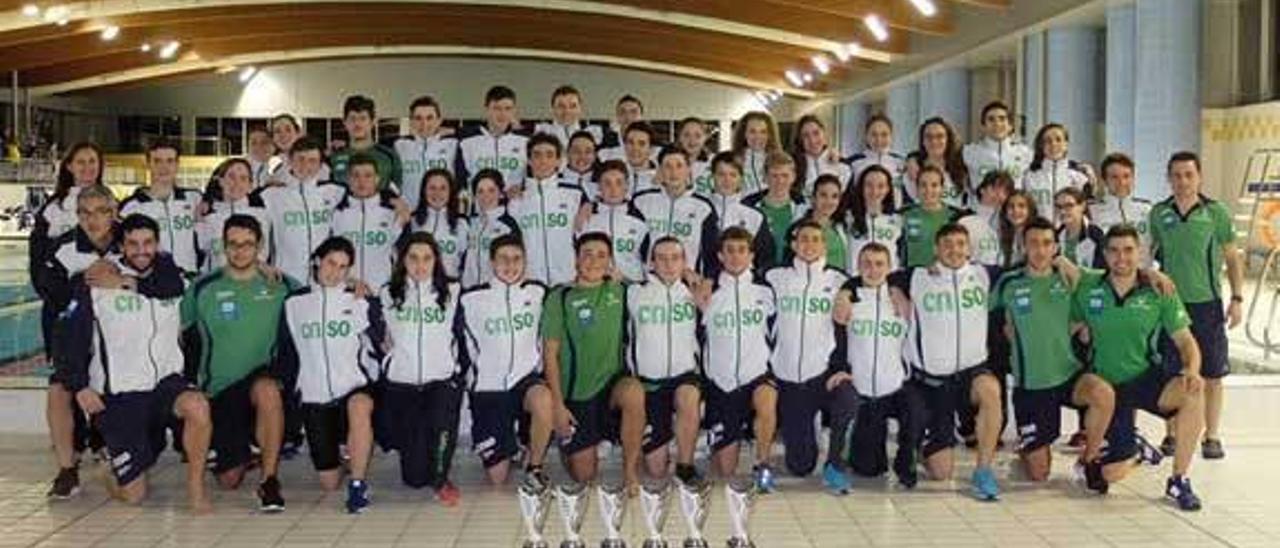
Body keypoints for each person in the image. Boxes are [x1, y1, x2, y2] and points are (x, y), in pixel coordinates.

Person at [59, 214, 210, 513]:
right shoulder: (96, 281)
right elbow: (68, 336)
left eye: (148, 243)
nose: (141, 250)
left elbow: (170, 287)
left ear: (158, 244)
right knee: (134, 496)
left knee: (198, 406)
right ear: (122, 246)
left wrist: (126, 283)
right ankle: (108, 465)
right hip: (121, 395)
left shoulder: (172, 278)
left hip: (165, 385)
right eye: (133, 244)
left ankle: (196, 488)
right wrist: (79, 386)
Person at [1072, 225, 1206, 511]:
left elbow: (1186, 342)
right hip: (1106, 387)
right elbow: (1068, 317)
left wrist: (1192, 370)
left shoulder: (1159, 290)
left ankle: (1179, 479)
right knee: (1107, 477)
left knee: (1193, 392)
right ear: (1104, 254)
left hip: (1144, 377)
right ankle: (1137, 451)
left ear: (1140, 253)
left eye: (1129, 250)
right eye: (1114, 251)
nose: (1122, 257)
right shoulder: (1089, 287)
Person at [991, 217, 1114, 491]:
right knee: (1038, 473)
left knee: (1103, 393)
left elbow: (1115, 275)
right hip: (1032, 385)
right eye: (1033, 243)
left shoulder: (1069, 276)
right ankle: (1030, 447)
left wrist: (1154, 274)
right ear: (1023, 246)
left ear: (1055, 247)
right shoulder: (1008, 283)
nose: (1040, 250)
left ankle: (1089, 459)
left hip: (1068, 375)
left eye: (1047, 243)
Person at [181, 214, 293, 511]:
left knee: (268, 389)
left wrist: (353, 284)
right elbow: (177, 332)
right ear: (223, 246)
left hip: (260, 381)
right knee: (229, 481)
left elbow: (324, 290)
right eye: (233, 244)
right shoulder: (204, 287)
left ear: (260, 247)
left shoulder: (280, 285)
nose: (240, 251)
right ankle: (253, 449)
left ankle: (269, 481)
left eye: (248, 244)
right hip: (219, 392)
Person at [889, 223, 1003, 501]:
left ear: (969, 249)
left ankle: (984, 471)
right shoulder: (916, 276)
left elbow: (1030, 269)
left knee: (991, 391)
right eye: (947, 244)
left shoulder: (984, 274)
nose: (954, 250)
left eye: (960, 244)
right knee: (941, 472)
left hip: (971, 372)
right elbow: (878, 276)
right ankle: (921, 444)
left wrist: (1062, 261)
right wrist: (896, 293)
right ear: (936, 249)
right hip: (932, 382)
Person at [274, 236, 384, 513]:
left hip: (353, 389)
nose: (335, 272)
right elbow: (287, 353)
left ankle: (358, 484)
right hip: (315, 398)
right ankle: (351, 454)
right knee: (328, 483)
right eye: (331, 263)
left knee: (360, 406)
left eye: (343, 267)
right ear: (317, 262)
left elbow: (382, 341)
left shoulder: (358, 300)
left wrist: (369, 302)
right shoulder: (293, 304)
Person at [1149, 151, 1244, 460]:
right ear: (1169, 178)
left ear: (1199, 177)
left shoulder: (1215, 212)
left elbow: (1232, 257)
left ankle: (1212, 435)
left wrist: (1237, 298)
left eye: (1188, 175)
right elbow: (1146, 256)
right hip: (1170, 306)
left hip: (1207, 304)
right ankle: (1172, 433)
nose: (1183, 181)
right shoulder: (1159, 214)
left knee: (1213, 372)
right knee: (1173, 371)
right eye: (1176, 175)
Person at [544, 232, 646, 492]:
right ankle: (570, 445)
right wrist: (557, 405)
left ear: (610, 261)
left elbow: (655, 290)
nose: (594, 260)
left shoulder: (619, 289)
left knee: (634, 392)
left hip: (612, 389)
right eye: (587, 254)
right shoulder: (560, 295)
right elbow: (550, 354)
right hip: (577, 396)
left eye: (602, 255)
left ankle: (630, 473)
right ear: (576, 260)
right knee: (584, 477)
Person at [764, 221, 859, 495]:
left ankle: (835, 463)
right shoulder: (774, 277)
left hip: (824, 374)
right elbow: (737, 273)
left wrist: (843, 367)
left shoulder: (840, 280)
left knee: (848, 397)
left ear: (824, 245)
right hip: (788, 378)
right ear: (793, 244)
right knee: (800, 465)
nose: (809, 245)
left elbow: (874, 282)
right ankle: (808, 438)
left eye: (816, 239)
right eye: (803, 239)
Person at [457, 234, 554, 486]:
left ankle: (534, 465)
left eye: (517, 259)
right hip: (488, 389)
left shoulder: (539, 292)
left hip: (526, 381)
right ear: (491, 262)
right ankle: (511, 446)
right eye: (503, 259)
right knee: (497, 479)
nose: (510, 265)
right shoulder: (470, 299)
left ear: (525, 261)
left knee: (544, 399)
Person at [377, 232, 465, 505]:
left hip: (440, 380)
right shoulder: (386, 293)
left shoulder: (453, 291)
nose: (420, 265)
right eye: (413, 258)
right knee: (414, 478)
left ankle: (441, 477)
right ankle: (424, 468)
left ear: (436, 260)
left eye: (427, 258)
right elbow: (371, 325)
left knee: (441, 429)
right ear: (402, 260)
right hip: (402, 384)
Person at [694, 227, 779, 492]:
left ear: (751, 255)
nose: (735, 256)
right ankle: (718, 440)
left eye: (742, 250)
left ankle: (763, 464)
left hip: (756, 375)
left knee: (767, 401)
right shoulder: (707, 292)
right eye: (729, 250)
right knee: (725, 470)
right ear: (720, 255)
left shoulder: (765, 290)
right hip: (721, 382)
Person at [835, 243, 921, 487]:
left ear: (890, 267)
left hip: (896, 387)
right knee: (868, 470)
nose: (873, 270)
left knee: (915, 407)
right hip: (863, 392)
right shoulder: (849, 300)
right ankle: (864, 448)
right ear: (858, 267)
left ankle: (907, 457)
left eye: (879, 264)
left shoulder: (901, 301)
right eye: (867, 264)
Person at [626, 237, 704, 486]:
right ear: (651, 263)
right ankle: (664, 439)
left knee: (688, 396)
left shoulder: (695, 291)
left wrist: (702, 283)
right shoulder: (633, 292)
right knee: (656, 471)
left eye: (675, 258)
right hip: (650, 382)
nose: (669, 264)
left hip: (684, 375)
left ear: (684, 262)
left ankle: (685, 465)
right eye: (662, 258)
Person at [255, 136, 346, 284]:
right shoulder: (270, 196)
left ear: (320, 165)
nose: (306, 165)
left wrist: (394, 200)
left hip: (325, 279)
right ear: (290, 161)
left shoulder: (335, 192)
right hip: (285, 278)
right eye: (300, 159)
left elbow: (369, 195)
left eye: (312, 161)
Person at [507, 133, 586, 285]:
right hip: (530, 281)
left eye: (549, 155)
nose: (543, 161)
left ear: (558, 161)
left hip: (569, 279)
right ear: (529, 160)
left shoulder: (575, 195)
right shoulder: (516, 199)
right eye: (537, 155)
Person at [120, 139, 202, 274]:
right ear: (148, 164)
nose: (164, 167)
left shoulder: (194, 199)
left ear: (177, 164)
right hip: (151, 282)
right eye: (157, 161)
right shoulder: (131, 207)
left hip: (189, 279)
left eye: (170, 161)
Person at [633, 147, 718, 274]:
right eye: (667, 166)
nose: (674, 172)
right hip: (650, 281)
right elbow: (634, 245)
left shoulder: (703, 207)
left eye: (679, 166)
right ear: (660, 170)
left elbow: (711, 252)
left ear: (688, 170)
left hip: (687, 282)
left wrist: (708, 279)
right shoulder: (641, 201)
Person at [332, 155, 406, 290]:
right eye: (356, 176)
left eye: (368, 175)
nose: (362, 181)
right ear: (348, 179)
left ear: (377, 179)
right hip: (347, 290)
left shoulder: (394, 212)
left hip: (382, 290)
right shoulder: (337, 213)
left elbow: (402, 251)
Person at [581, 160, 649, 282]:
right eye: (607, 183)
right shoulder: (586, 218)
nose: (613, 189)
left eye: (619, 183)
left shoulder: (640, 219)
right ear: (599, 187)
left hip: (632, 286)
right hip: (596, 287)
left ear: (627, 186)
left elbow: (647, 260)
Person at [706, 151, 775, 273]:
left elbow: (765, 257)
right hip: (705, 285)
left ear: (741, 179)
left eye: (733, 175)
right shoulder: (701, 209)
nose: (727, 180)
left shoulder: (755, 216)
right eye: (721, 174)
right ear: (712, 177)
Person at [198, 158, 270, 273]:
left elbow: (263, 253)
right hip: (216, 283)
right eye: (231, 177)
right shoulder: (208, 216)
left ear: (250, 186)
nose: (237, 183)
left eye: (243, 178)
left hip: (251, 282)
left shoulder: (262, 215)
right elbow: (202, 250)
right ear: (221, 181)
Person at [743, 151, 808, 267]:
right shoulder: (749, 207)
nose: (780, 181)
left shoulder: (804, 209)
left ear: (793, 177)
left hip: (793, 275)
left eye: (785, 175)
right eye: (774, 176)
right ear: (765, 177)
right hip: (758, 275)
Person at [394, 96, 458, 210]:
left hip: (444, 216)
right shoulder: (399, 146)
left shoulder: (453, 145)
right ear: (411, 121)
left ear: (439, 120)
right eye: (418, 118)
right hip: (409, 216)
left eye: (430, 118)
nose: (424, 124)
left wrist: (454, 130)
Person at [458, 85, 529, 189]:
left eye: (508, 109)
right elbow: (461, 179)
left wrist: (522, 190)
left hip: (515, 204)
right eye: (497, 108)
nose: (502, 114)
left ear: (514, 111)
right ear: (486, 109)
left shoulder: (525, 141)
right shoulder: (467, 142)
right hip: (479, 203)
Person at [1088, 153, 1152, 266]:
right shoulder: (1091, 211)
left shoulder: (1147, 209)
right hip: (1107, 279)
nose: (1121, 183)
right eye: (1114, 177)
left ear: (1133, 178)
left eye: (1126, 176)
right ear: (1104, 180)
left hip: (1143, 278)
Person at [461, 170, 521, 288]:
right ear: (474, 195)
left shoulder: (508, 226)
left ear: (500, 193)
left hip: (494, 291)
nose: (486, 196)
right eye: (480, 191)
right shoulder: (470, 224)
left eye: (491, 190)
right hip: (469, 290)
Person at [329, 95, 402, 191]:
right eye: (352, 119)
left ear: (373, 121)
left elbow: (396, 194)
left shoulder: (389, 156)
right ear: (344, 122)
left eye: (363, 118)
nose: (357, 124)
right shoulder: (334, 157)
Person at [899, 165, 964, 268]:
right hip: (914, 275)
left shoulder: (956, 217)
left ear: (942, 189)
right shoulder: (904, 215)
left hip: (945, 275)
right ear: (917, 188)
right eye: (923, 185)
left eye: (934, 185)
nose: (928, 190)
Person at [407, 169, 468, 279]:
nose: (437, 193)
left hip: (451, 287)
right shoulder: (411, 221)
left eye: (443, 188)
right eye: (432, 188)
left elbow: (467, 261)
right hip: (418, 288)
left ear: (451, 192)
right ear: (424, 191)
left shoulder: (462, 223)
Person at [844, 165, 902, 275]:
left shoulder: (898, 220)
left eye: (881, 186)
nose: (874, 191)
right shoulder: (847, 218)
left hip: (888, 283)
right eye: (869, 185)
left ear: (888, 189)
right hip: (856, 281)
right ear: (861, 187)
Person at [1021, 123, 1094, 209]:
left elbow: (1087, 208)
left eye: (1058, 140)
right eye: (1048, 141)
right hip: (1038, 223)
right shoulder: (1029, 175)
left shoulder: (1080, 175)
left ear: (1066, 144)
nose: (1053, 144)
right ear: (1041, 145)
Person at [904, 117, 970, 208]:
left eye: (940, 136)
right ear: (922, 141)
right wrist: (910, 159)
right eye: (929, 137)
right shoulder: (913, 170)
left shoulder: (961, 166)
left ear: (948, 139)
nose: (934, 141)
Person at [962, 101, 1032, 183]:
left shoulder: (1026, 153)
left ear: (1010, 126)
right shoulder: (968, 152)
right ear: (983, 126)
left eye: (1002, 119)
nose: (997, 123)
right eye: (991, 119)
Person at [789, 174, 849, 269]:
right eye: (823, 195)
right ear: (813, 198)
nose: (829, 201)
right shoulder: (798, 229)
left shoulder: (841, 226)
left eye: (834, 196)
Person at [958, 172, 1014, 268]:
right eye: (994, 189)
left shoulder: (1010, 221)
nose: (999, 195)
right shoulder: (965, 220)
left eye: (1004, 192)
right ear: (982, 190)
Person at [846, 114, 905, 204]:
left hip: (893, 214)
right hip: (862, 213)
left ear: (891, 136)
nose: (879, 139)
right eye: (874, 134)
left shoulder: (901, 162)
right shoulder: (853, 162)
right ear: (866, 136)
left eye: (884, 134)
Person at [792, 115, 852, 196]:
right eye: (805, 136)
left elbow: (846, 198)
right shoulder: (793, 166)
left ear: (824, 133)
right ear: (799, 140)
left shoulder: (843, 165)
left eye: (816, 133)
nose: (812, 140)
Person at [268, 114, 330, 183]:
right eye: (277, 131)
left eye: (288, 130)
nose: (283, 135)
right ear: (273, 138)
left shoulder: (315, 159)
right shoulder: (274, 163)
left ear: (298, 133)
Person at [732, 111, 784, 195]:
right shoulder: (733, 161)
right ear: (744, 134)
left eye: (763, 132)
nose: (758, 137)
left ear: (769, 135)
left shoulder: (780, 161)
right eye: (752, 131)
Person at [1054, 187, 1106, 269]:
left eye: (1069, 206)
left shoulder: (1096, 235)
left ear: (1082, 206)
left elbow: (1101, 270)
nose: (1062, 211)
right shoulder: (1054, 236)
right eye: (1059, 207)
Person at [534, 85, 603, 147]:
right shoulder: (540, 132)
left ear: (580, 108)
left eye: (573, 106)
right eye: (561, 106)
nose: (567, 111)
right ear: (552, 109)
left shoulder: (594, 133)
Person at [598, 95, 648, 161]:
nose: (628, 117)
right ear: (617, 116)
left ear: (641, 116)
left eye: (633, 112)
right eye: (622, 112)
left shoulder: (653, 144)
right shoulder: (605, 143)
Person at [677, 117, 715, 196]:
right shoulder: (670, 162)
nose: (692, 141)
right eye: (686, 135)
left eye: (698, 136)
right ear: (680, 137)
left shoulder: (715, 162)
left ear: (705, 137)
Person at [620, 122, 660, 196]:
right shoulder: (614, 175)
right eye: (630, 142)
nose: (635, 148)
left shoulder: (661, 181)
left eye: (641, 144)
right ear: (624, 146)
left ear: (651, 149)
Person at [561, 131, 599, 199]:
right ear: (567, 153)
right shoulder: (555, 181)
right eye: (576, 151)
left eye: (588, 152)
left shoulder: (603, 183)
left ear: (595, 155)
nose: (582, 156)